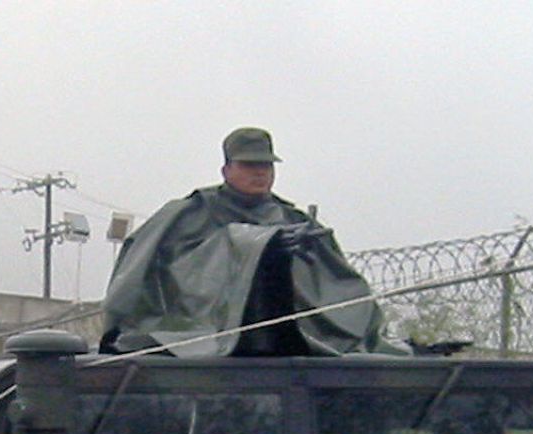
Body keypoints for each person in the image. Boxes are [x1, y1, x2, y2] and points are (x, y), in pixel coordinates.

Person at [99, 127, 389, 357]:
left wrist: (299, 259)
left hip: (290, 345)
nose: (260, 172)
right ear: (226, 170)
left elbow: (340, 285)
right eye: (249, 165)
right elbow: (169, 273)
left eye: (266, 165)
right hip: (197, 340)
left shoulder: (292, 218)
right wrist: (257, 245)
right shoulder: (189, 213)